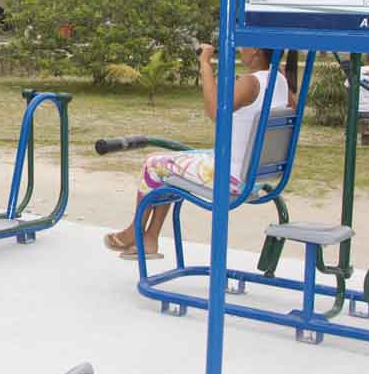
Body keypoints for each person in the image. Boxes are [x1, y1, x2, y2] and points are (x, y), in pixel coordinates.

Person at [103, 45, 291, 260]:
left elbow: (215, 113)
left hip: (232, 178)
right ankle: (149, 238)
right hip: (256, 177)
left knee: (153, 164)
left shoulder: (251, 83)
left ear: (256, 50)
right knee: (171, 166)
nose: (240, 48)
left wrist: (205, 65)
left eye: (244, 44)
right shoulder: (279, 80)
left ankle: (134, 232)